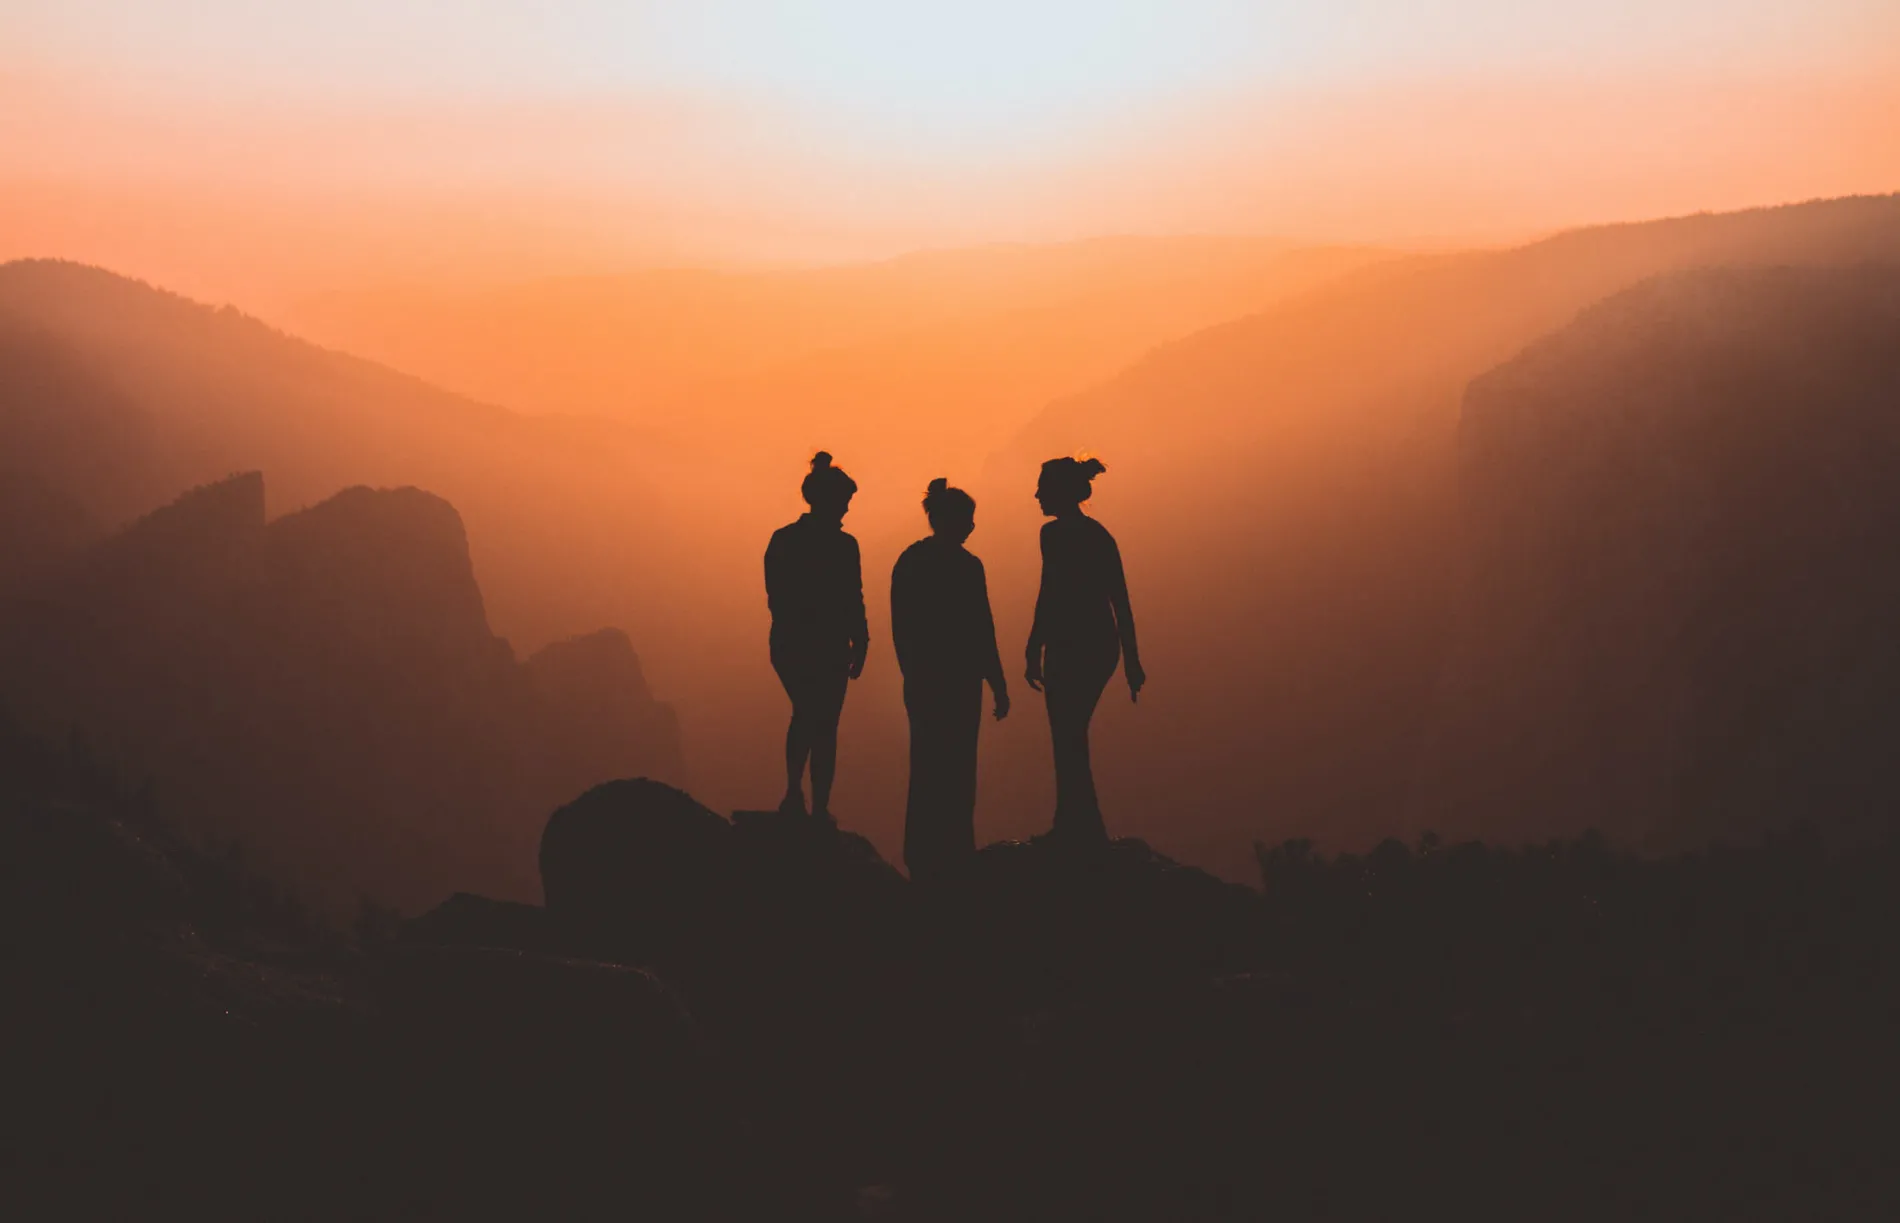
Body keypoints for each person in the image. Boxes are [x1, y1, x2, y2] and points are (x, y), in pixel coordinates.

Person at [891, 479, 1010, 883]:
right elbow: (982, 628)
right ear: (948, 519)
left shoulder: (911, 561)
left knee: (928, 763)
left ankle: (924, 852)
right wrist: (997, 681)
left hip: (930, 682)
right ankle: (954, 848)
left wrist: (913, 674)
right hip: (957, 681)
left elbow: (902, 628)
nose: (973, 526)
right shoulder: (965, 566)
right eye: (968, 519)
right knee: (958, 764)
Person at [1024, 456, 1144, 844]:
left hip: (1081, 644)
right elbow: (1057, 592)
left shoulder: (1074, 537)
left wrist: (1133, 660)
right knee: (1068, 734)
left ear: (1059, 491)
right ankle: (1077, 822)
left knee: (1068, 733)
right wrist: (1034, 645)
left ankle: (1078, 826)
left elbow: (1114, 597)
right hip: (1082, 643)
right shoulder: (1082, 535)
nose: (1037, 494)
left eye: (1043, 487)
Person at [764, 452, 869, 825]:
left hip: (799, 644)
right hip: (818, 645)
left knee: (810, 716)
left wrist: (860, 637)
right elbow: (850, 597)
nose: (846, 510)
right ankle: (812, 804)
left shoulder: (785, 540)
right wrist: (860, 638)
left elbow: (777, 597)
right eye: (844, 502)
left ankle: (800, 797)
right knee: (820, 720)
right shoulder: (841, 546)